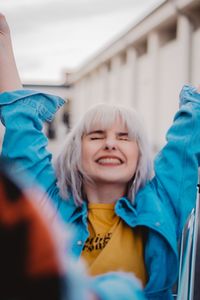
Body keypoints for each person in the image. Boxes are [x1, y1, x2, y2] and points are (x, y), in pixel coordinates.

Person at [0, 12, 200, 300]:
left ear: (140, 153)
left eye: (124, 137)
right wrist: (4, 38)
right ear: (74, 153)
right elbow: (20, 124)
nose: (110, 144)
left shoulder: (164, 196)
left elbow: (192, 125)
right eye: (96, 136)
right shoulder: (46, 196)